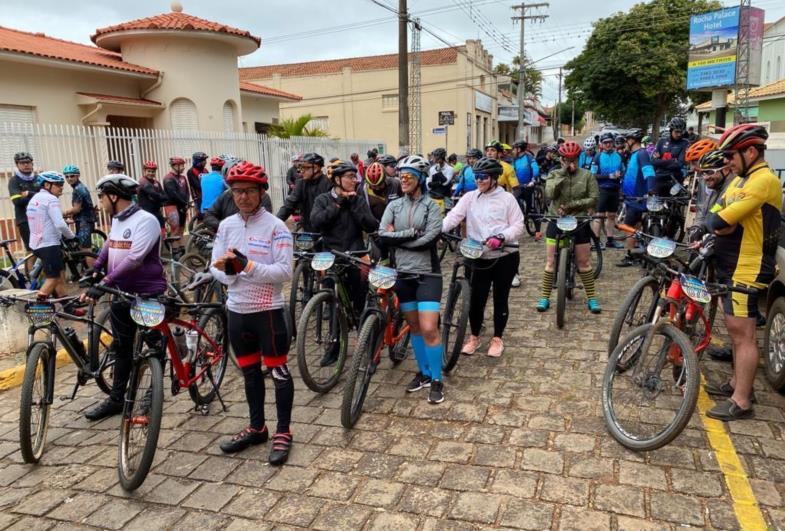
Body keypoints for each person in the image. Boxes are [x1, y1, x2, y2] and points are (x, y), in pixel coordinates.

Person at [210, 162, 295, 463]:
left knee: (279, 373)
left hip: (268, 312)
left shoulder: (276, 226)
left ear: (261, 192)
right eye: (236, 192)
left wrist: (246, 266)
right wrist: (231, 272)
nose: (242, 197)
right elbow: (215, 267)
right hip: (237, 311)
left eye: (248, 191)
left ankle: (284, 431)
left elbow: (284, 271)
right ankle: (257, 427)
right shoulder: (226, 226)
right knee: (249, 373)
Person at [703, 124, 781, 421]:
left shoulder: (762, 181)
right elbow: (717, 212)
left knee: (743, 334)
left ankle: (742, 400)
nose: (728, 162)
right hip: (731, 262)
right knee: (735, 330)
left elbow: (721, 218)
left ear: (751, 151)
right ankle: (738, 382)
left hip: (747, 265)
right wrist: (717, 221)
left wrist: (716, 221)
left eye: (732, 155)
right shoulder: (740, 179)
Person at [83, 174, 167, 420]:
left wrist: (105, 281)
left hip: (146, 293)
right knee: (122, 346)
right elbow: (110, 245)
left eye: (101, 196)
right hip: (120, 293)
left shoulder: (146, 221)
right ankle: (117, 399)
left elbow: (135, 258)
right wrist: (96, 268)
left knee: (154, 344)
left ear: (113, 196)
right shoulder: (118, 220)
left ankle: (155, 391)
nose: (100, 202)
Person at [378, 155, 445, 404]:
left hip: (427, 274)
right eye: (401, 175)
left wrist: (400, 239)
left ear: (420, 179)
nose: (403, 180)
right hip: (403, 274)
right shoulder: (394, 205)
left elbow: (429, 238)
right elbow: (383, 234)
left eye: (408, 176)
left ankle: (437, 379)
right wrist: (409, 235)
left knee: (429, 328)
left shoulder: (432, 206)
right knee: (415, 327)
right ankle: (425, 373)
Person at [443, 157, 524, 357]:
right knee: (476, 299)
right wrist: (436, 230)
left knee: (500, 298)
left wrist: (502, 236)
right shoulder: (470, 197)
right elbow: (454, 216)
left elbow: (518, 225)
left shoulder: (507, 199)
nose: (479, 181)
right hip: (476, 255)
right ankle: (474, 337)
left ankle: (497, 338)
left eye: (483, 177)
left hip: (504, 255)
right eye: (476, 177)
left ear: (495, 178)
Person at [311, 161, 378, 340]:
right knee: (331, 300)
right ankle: (334, 343)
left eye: (355, 177)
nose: (354, 180)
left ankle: (364, 334)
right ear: (338, 180)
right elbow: (317, 221)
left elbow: (371, 225)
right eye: (350, 177)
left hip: (355, 254)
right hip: (330, 255)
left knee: (359, 296)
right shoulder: (323, 199)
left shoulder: (358, 200)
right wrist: (337, 205)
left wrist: (354, 205)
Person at [536, 141, 601, 313]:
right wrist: (562, 174)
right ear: (562, 159)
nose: (571, 163)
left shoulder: (587, 175)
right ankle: (545, 297)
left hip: (579, 221)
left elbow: (593, 198)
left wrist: (572, 205)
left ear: (579, 158)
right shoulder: (554, 174)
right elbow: (549, 195)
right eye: (567, 159)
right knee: (550, 262)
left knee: (584, 262)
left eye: (574, 159)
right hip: (556, 219)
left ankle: (592, 297)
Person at [26, 171, 77, 298]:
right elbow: (59, 223)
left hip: (37, 243)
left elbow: (44, 219)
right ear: (47, 185)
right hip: (49, 244)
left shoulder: (35, 198)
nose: (61, 187)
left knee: (59, 275)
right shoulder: (51, 199)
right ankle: (38, 312)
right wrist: (72, 236)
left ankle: (68, 308)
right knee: (53, 279)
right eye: (58, 184)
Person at [617, 129, 656, 267]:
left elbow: (649, 172)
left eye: (627, 140)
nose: (625, 143)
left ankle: (630, 256)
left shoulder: (642, 154)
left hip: (637, 198)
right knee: (636, 227)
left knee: (628, 227)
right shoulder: (634, 154)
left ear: (632, 140)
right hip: (631, 197)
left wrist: (651, 189)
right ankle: (636, 254)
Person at [204, 159, 273, 232]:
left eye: (250, 190)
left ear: (260, 192)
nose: (244, 197)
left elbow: (265, 223)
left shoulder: (264, 198)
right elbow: (209, 215)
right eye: (238, 190)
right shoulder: (225, 196)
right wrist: (224, 226)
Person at [277, 152, 332, 233]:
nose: (301, 171)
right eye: (300, 168)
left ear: (316, 168)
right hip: (307, 229)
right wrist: (275, 223)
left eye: (305, 168)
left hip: (326, 231)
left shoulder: (328, 184)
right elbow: (289, 205)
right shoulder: (301, 183)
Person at [591, 132, 625, 250]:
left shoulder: (619, 156)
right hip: (602, 189)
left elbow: (623, 170)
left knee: (611, 216)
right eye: (605, 143)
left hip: (615, 189)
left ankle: (610, 241)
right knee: (599, 216)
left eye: (610, 142)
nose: (608, 145)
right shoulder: (598, 157)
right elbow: (593, 175)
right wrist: (609, 176)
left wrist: (621, 175)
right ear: (601, 144)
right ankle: (596, 242)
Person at [62, 165, 96, 263]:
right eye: (67, 176)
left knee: (86, 250)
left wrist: (62, 213)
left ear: (78, 176)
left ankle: (93, 274)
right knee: (83, 247)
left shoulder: (78, 189)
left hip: (84, 221)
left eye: (72, 176)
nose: (69, 179)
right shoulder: (79, 187)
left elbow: (76, 209)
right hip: (85, 219)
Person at [9, 151, 40, 253]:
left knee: (43, 249)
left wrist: (29, 194)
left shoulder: (38, 178)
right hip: (25, 220)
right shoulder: (14, 181)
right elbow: (17, 201)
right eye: (22, 163)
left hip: (41, 218)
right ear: (17, 165)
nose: (26, 165)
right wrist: (37, 196)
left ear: (32, 163)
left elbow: (46, 197)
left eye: (28, 162)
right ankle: (30, 270)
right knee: (32, 251)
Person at [651, 117, 690, 196]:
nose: (679, 134)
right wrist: (672, 161)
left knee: (675, 204)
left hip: (675, 179)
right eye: (677, 132)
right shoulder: (661, 141)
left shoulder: (685, 143)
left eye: (681, 132)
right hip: (660, 178)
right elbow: (653, 161)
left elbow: (679, 163)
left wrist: (660, 161)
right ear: (671, 130)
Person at [512, 140, 542, 240]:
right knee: (514, 202)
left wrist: (533, 180)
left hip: (529, 186)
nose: (513, 151)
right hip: (518, 186)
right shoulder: (514, 160)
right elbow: (511, 172)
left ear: (519, 149)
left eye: (514, 149)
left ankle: (538, 231)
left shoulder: (529, 158)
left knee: (532, 209)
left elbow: (535, 169)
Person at [163, 156, 189, 257]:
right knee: (175, 229)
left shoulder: (183, 177)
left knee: (182, 229)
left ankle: (182, 250)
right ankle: (175, 251)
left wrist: (186, 201)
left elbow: (187, 191)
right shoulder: (168, 178)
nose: (183, 167)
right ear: (174, 166)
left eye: (183, 165)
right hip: (172, 205)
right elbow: (172, 194)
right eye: (181, 165)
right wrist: (183, 202)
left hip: (182, 205)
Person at [137, 161, 167, 228]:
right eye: (149, 171)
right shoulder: (143, 181)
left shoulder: (156, 183)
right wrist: (161, 197)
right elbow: (154, 194)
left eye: (153, 171)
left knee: (162, 228)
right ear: (145, 171)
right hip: (146, 213)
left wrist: (161, 197)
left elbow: (164, 195)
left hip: (156, 211)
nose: (151, 173)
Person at [187, 152, 208, 220]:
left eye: (205, 160)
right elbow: (196, 185)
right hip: (198, 198)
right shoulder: (191, 171)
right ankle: (197, 230)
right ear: (197, 161)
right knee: (200, 217)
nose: (205, 162)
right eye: (203, 160)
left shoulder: (205, 170)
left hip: (206, 196)